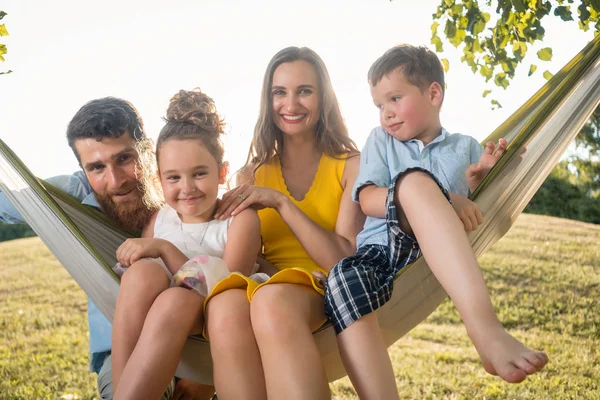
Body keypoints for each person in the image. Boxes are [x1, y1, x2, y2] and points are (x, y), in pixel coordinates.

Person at [323, 44, 550, 399]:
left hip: (438, 255)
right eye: (379, 105)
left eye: (395, 99)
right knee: (342, 280)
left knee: (414, 182)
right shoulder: (381, 141)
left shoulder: (466, 148)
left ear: (433, 93)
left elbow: (478, 212)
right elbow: (367, 199)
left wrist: (480, 182)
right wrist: (440, 196)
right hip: (383, 251)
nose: (386, 113)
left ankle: (486, 331)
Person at [0, 97, 215, 400]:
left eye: (124, 159)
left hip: (198, 342)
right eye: (97, 167)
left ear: (148, 151)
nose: (115, 181)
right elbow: (6, 199)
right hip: (121, 349)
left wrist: (207, 374)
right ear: (83, 170)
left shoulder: (187, 190)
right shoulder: (73, 197)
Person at [207, 46, 365, 400]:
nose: (290, 104)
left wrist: (280, 202)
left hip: (326, 287)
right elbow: (249, 256)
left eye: (304, 91)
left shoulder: (350, 164)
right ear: (268, 99)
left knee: (271, 300)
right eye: (280, 92)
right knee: (223, 306)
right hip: (267, 285)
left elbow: (343, 258)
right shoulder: (250, 174)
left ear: (323, 97)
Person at [112, 89, 264, 400]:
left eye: (199, 174)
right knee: (142, 275)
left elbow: (226, 285)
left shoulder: (239, 220)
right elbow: (139, 281)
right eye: (174, 178)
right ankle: (122, 390)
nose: (187, 188)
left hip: (218, 316)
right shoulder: (159, 220)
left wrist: (165, 249)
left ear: (222, 172)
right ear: (158, 180)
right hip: (162, 322)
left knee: (176, 299)